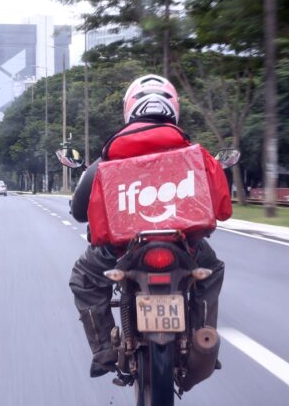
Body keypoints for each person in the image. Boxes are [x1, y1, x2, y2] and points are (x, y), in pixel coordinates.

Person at [68, 74, 232, 378]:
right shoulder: (197, 155)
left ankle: (105, 350)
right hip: (186, 247)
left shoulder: (105, 160)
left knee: (84, 278)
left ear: (129, 109)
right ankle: (203, 339)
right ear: (174, 111)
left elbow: (79, 212)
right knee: (212, 272)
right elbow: (222, 209)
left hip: (121, 249)